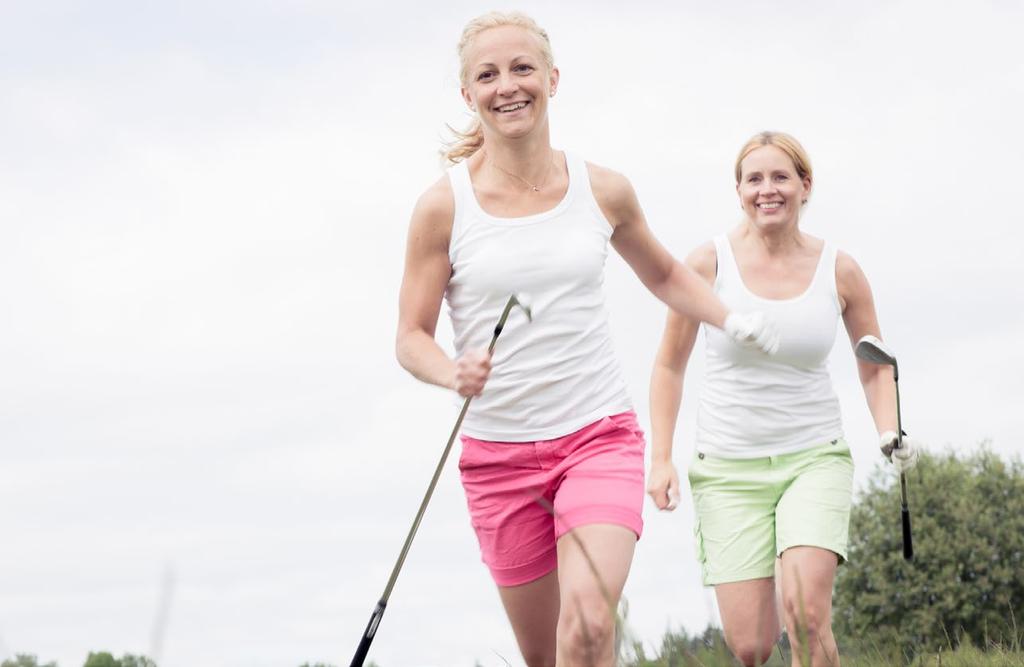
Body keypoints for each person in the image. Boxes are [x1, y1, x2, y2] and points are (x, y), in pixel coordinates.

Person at [395, 12, 778, 667]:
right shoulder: (443, 206)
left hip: (596, 437)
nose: (508, 86)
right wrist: (451, 370)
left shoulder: (603, 188)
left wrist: (729, 316)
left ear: (552, 77)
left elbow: (662, 273)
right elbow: (410, 337)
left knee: (590, 627)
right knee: (548, 655)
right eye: (488, 75)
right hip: (499, 461)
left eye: (522, 68)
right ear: (468, 95)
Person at [647, 130, 922, 666]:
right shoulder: (707, 265)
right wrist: (660, 458)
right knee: (750, 646)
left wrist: (889, 431)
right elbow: (667, 365)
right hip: (728, 468)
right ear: (739, 190)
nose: (766, 190)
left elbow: (873, 364)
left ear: (805, 186)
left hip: (812, 457)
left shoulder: (839, 269)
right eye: (754, 179)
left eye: (780, 177)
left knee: (806, 615)